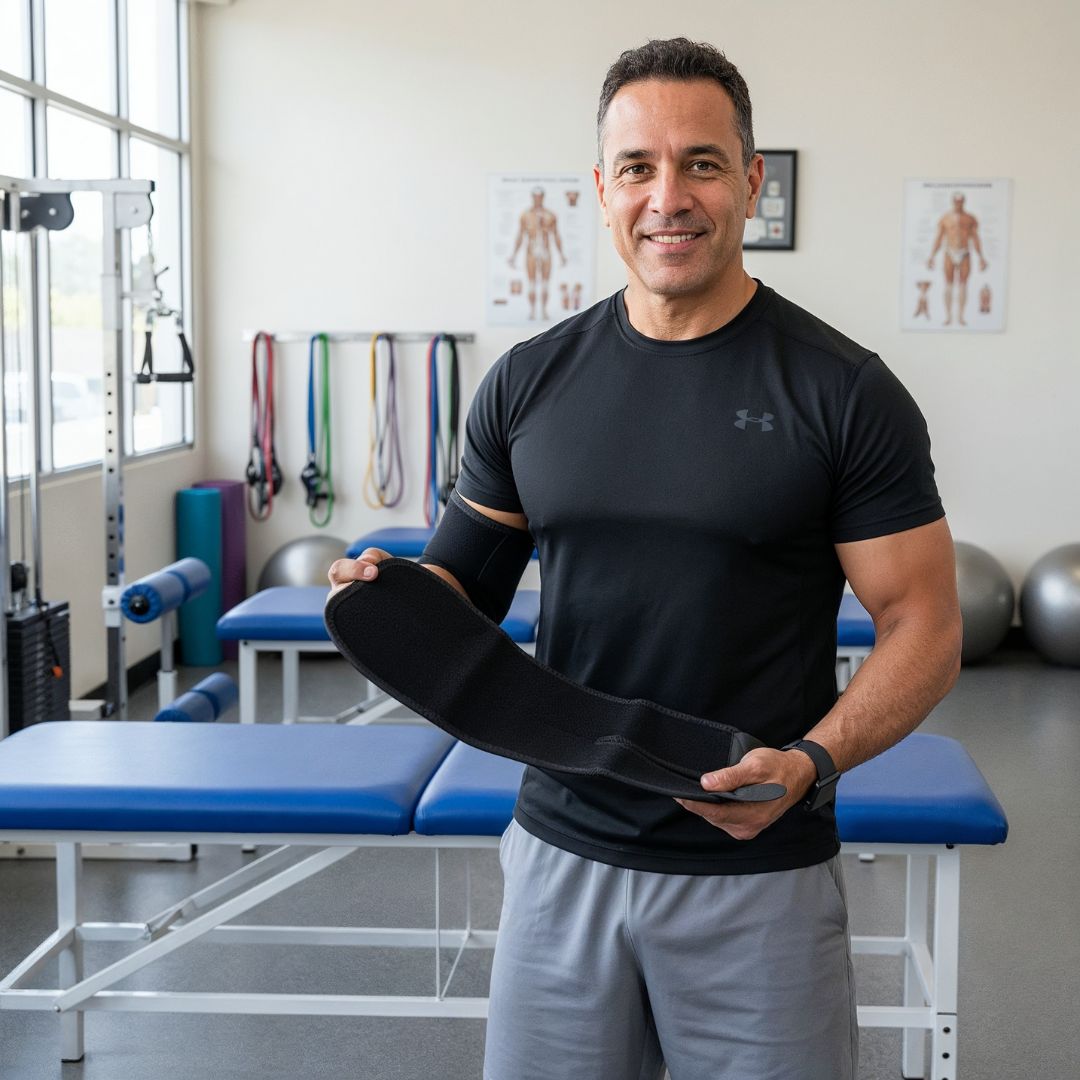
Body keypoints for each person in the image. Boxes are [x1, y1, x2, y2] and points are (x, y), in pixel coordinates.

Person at [330, 37, 961, 1080]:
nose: (669, 196)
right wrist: (388, 597)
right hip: (560, 858)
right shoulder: (529, 384)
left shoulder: (845, 392)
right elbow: (460, 588)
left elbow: (926, 624)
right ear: (601, 189)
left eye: (702, 163)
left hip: (756, 863)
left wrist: (811, 764)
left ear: (752, 182)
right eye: (639, 167)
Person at [927, 191, 989, 326]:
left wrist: (981, 257)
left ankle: (960, 316)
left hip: (965, 252)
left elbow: (975, 238)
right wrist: (931, 256)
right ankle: (948, 316)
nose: (958, 204)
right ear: (953, 202)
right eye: (956, 202)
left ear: (963, 202)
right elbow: (939, 238)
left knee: (963, 284)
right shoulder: (945, 218)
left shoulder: (970, 219)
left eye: (960, 202)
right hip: (949, 252)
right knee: (948, 284)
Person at [507, 185, 567, 320]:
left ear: (543, 197)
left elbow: (556, 235)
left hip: (545, 251)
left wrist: (562, 255)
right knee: (532, 283)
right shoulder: (526, 215)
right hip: (531, 251)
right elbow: (520, 235)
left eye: (540, 197)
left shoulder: (550, 215)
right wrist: (514, 255)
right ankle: (533, 311)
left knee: (545, 283)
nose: (537, 199)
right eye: (535, 197)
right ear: (532, 197)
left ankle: (544, 311)